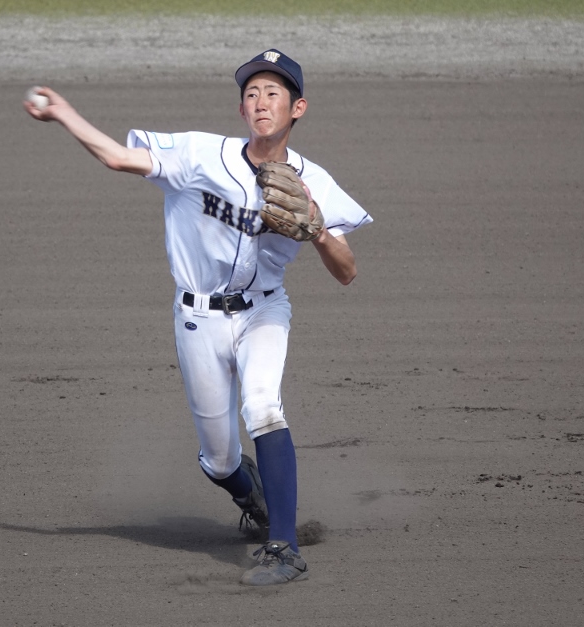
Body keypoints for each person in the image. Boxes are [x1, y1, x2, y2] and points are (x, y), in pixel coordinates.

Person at [24, 49, 372, 586]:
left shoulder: (315, 183)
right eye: (251, 94)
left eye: (273, 93)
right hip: (196, 320)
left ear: (297, 107)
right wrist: (65, 114)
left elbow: (347, 272)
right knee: (219, 461)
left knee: (264, 407)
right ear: (241, 110)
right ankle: (251, 495)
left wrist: (320, 231)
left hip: (264, 311)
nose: (261, 102)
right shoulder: (200, 155)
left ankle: (284, 548)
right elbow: (118, 158)